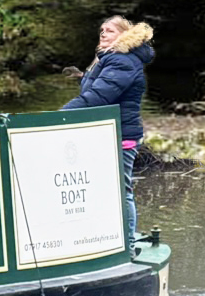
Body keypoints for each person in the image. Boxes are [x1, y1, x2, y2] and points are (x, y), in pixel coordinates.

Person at [61, 14, 155, 244]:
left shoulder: (121, 60)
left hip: (121, 136)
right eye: (101, 30)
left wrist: (60, 116)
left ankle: (129, 244)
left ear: (125, 35)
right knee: (106, 189)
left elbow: (100, 96)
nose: (103, 33)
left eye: (110, 30)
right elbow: (101, 88)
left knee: (122, 191)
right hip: (106, 134)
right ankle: (107, 238)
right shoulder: (109, 59)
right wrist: (83, 77)